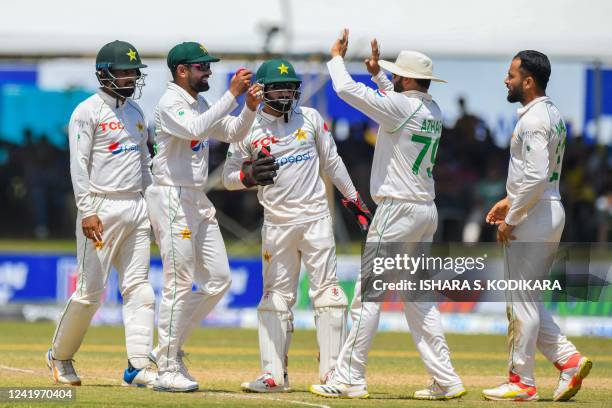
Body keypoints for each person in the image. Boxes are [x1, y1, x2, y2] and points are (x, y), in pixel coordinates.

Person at [310, 29, 466, 400]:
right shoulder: (432, 109)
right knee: (418, 300)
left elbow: (348, 91)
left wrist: (336, 58)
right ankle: (447, 379)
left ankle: (349, 377)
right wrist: (381, 74)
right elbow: (394, 102)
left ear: (407, 79)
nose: (392, 78)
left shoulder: (400, 108)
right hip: (426, 210)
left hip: (397, 210)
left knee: (367, 297)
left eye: (397, 74)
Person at [223, 59, 372, 393]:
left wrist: (355, 202)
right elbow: (227, 177)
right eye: (279, 86)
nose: (287, 92)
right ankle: (274, 375)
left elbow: (333, 162)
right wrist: (247, 177)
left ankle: (334, 374)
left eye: (291, 86)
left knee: (330, 296)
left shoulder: (311, 118)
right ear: (260, 90)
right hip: (277, 224)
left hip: (316, 219)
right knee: (276, 299)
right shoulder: (246, 126)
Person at [145, 41, 262, 392]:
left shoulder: (199, 102)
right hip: (170, 196)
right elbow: (196, 129)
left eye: (208, 67)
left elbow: (232, 133)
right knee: (178, 282)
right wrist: (232, 94)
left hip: (195, 198)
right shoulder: (169, 103)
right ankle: (166, 367)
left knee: (218, 279)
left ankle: (165, 349)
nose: (208, 71)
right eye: (202, 67)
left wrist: (250, 108)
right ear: (182, 71)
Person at [482, 50, 591, 402]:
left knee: (520, 303)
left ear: (528, 81)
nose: (505, 79)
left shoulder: (532, 120)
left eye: (511, 74)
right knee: (527, 299)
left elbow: (536, 174)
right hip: (548, 207)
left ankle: (521, 381)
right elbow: (536, 177)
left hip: (535, 214)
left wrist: (512, 217)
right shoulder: (552, 113)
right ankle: (568, 360)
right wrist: (508, 200)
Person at [46, 40, 157, 388]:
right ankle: (60, 356)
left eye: (133, 72)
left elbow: (145, 165)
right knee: (90, 293)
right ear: (103, 74)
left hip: (136, 207)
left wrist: (152, 206)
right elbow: (78, 167)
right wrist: (88, 210)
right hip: (101, 207)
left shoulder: (137, 113)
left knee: (141, 289)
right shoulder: (86, 111)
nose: (130, 77)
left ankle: (138, 366)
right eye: (123, 71)